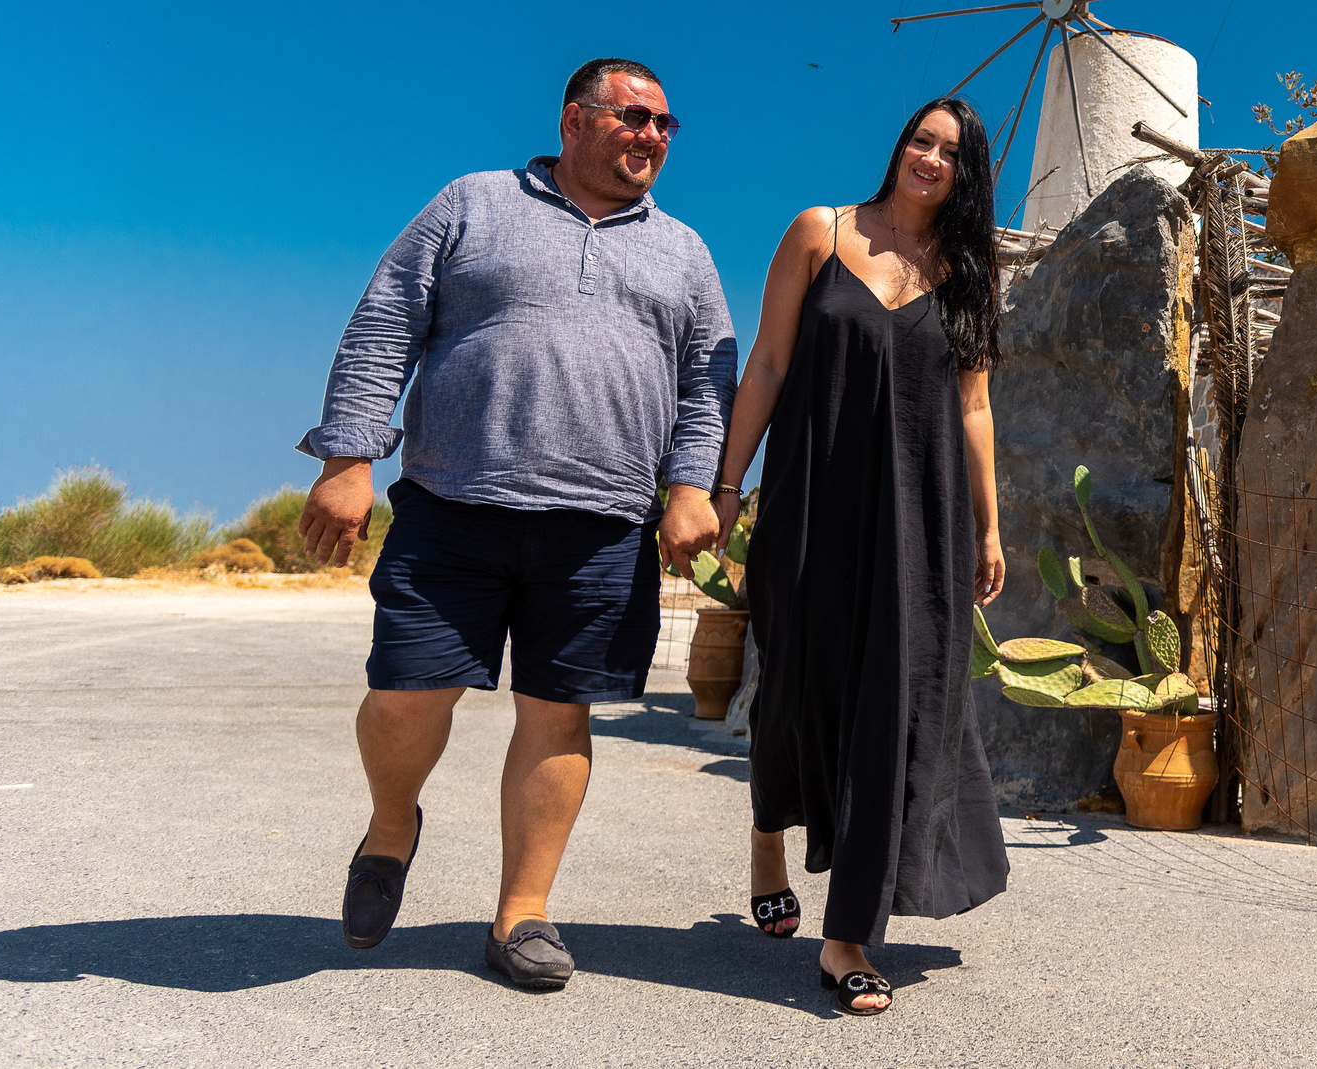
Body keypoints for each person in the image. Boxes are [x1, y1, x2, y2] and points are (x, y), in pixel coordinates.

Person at [294, 59, 737, 992]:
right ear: (576, 120)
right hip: (455, 503)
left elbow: (707, 384)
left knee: (558, 713)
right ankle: (390, 826)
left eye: (666, 124)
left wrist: (691, 486)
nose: (652, 135)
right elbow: (384, 323)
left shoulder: (685, 252)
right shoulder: (474, 203)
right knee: (408, 692)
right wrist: (347, 456)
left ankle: (522, 914)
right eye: (633, 117)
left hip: (603, 524)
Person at [709, 96, 1010, 1018]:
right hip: (810, 503)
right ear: (897, 145)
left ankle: (848, 937)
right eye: (920, 139)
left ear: (968, 174)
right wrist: (727, 487)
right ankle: (769, 831)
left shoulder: (964, 272)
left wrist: (990, 528)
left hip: (921, 518)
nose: (929, 157)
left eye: (950, 151)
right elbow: (765, 362)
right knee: (797, 684)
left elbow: (972, 408)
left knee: (896, 705)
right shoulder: (820, 229)